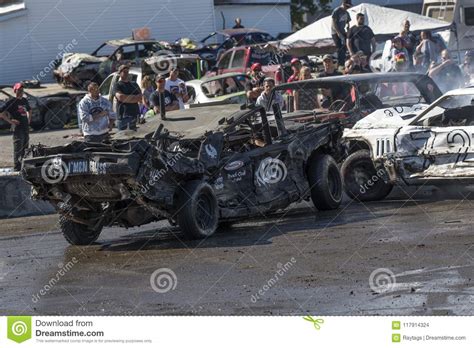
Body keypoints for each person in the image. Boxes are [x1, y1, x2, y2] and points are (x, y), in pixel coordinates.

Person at [0, 83, 31, 171]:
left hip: (25, 128)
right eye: (19, 90)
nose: (21, 91)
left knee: (26, 149)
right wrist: (10, 121)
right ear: (15, 90)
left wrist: (29, 119)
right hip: (18, 129)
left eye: (22, 90)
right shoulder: (11, 101)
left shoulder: (24, 100)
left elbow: (30, 110)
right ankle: (17, 168)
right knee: (18, 148)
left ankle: (24, 167)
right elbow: (1, 113)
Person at [114, 64, 142, 130]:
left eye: (127, 71)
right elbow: (121, 97)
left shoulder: (134, 84)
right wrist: (134, 98)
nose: (126, 73)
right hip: (123, 116)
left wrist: (128, 98)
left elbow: (140, 97)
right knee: (123, 137)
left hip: (135, 115)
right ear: (120, 73)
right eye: (124, 72)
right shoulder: (117, 85)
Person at [331, 0, 352, 67]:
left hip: (343, 32)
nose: (347, 8)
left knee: (345, 47)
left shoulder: (346, 13)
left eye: (348, 6)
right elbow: (333, 22)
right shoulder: (337, 11)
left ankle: (343, 62)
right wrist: (338, 33)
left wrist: (348, 29)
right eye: (346, 6)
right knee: (339, 47)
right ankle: (339, 64)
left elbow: (348, 23)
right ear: (343, 3)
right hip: (335, 32)